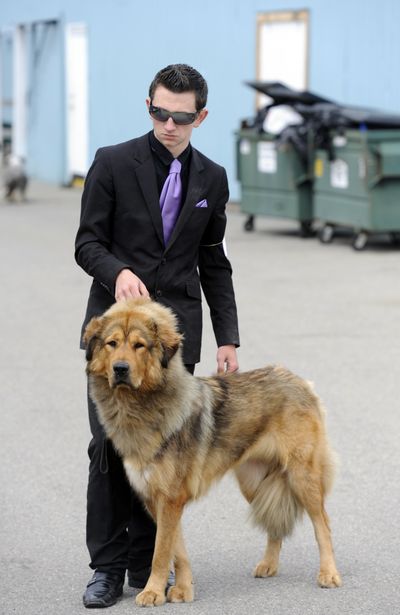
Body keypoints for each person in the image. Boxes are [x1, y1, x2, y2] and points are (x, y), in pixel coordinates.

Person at [75, 63, 240, 609]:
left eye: (181, 116)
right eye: (159, 112)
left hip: (172, 342)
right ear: (148, 106)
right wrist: (117, 271)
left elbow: (214, 262)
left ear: (201, 116)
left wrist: (228, 336)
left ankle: (152, 564)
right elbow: (86, 242)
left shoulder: (212, 178)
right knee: (108, 447)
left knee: (164, 454)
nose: (168, 124)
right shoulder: (112, 163)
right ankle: (107, 565)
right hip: (115, 335)